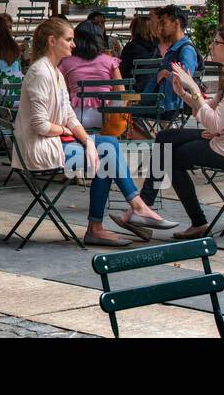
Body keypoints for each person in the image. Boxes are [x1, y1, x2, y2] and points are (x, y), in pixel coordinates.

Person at [12, 18, 176, 247]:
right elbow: (41, 125)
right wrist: (73, 134)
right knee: (108, 153)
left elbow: (69, 114)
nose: (73, 45)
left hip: (57, 140)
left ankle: (122, 214)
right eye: (69, 40)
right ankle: (123, 214)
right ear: (52, 41)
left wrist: (87, 140)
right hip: (40, 147)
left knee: (107, 143)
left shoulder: (56, 71)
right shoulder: (41, 72)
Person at [138, 23, 224, 239]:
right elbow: (210, 110)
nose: (211, 45)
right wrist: (185, 94)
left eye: (216, 42)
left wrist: (193, 88)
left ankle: (180, 217)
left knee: (171, 155)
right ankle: (145, 207)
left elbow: (213, 123)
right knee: (166, 137)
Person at [58, 20, 126, 135]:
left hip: (77, 117)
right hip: (105, 117)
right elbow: (121, 92)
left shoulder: (66, 62)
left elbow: (62, 91)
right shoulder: (110, 61)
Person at [143, 4, 199, 118]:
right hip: (162, 103)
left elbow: (186, 81)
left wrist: (166, 74)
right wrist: (142, 99)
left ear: (176, 24)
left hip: (171, 106)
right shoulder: (174, 49)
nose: (160, 28)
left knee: (124, 116)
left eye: (163, 23)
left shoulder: (186, 49)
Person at [119, 15, 158, 92]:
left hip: (133, 92)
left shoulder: (131, 47)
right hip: (154, 90)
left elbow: (121, 72)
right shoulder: (156, 48)